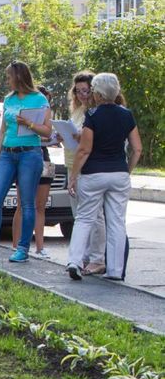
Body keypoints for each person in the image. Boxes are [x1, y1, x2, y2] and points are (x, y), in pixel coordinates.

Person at [0, 61, 51, 263]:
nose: (7, 81)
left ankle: (23, 248)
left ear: (19, 77)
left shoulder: (39, 99)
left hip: (29, 153)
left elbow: (47, 131)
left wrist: (30, 123)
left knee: (26, 203)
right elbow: (4, 130)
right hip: (7, 152)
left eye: (9, 77)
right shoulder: (9, 99)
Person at [67, 73, 142, 281]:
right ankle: (115, 271)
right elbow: (137, 149)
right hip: (118, 173)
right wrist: (126, 171)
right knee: (117, 222)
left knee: (84, 218)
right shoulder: (127, 115)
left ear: (98, 93)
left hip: (93, 174)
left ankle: (74, 261)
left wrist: (74, 176)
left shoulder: (93, 115)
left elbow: (84, 150)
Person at [66, 71, 106, 274]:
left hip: (87, 165)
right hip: (71, 162)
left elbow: (93, 141)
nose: (82, 94)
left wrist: (79, 135)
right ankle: (82, 256)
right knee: (78, 215)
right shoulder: (78, 110)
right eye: (78, 90)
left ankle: (96, 257)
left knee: (94, 215)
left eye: (86, 90)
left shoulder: (96, 112)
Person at [12, 85, 56, 259]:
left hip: (43, 158)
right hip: (25, 155)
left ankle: (40, 246)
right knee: (22, 204)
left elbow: (49, 134)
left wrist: (54, 138)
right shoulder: (25, 112)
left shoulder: (47, 115)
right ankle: (16, 246)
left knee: (40, 205)